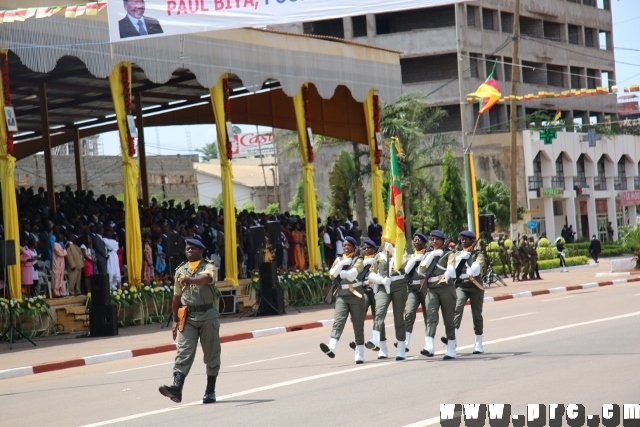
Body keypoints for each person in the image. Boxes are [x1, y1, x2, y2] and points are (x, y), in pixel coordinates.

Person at [159, 239, 220, 404]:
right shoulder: (180, 270)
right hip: (189, 317)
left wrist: (191, 281)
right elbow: (176, 297)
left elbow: (206, 278)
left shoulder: (209, 266)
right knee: (183, 351)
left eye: (193, 248)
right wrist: (174, 320)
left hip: (208, 314)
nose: (189, 250)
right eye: (187, 248)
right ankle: (177, 388)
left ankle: (210, 390)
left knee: (211, 352)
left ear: (201, 250)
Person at [319, 236, 366, 364]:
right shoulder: (339, 259)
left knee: (358, 324)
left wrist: (345, 269)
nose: (345, 247)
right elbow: (332, 274)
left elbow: (352, 275)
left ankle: (359, 353)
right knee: (338, 321)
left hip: (355, 294)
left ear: (354, 247)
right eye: (344, 245)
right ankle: (331, 347)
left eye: (348, 245)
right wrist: (340, 264)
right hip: (341, 295)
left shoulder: (358, 259)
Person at [442, 230, 486, 355]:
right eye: (461, 239)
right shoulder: (456, 254)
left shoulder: (478, 254)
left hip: (474, 285)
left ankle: (479, 342)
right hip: (461, 285)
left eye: (466, 239)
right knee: (457, 308)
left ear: (472, 241)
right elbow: (453, 270)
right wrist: (462, 258)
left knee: (476, 314)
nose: (463, 241)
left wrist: (469, 262)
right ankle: (453, 339)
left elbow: (476, 270)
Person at [419, 230, 457, 359]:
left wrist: (448, 272)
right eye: (432, 239)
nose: (434, 242)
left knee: (448, 318)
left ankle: (451, 348)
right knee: (431, 317)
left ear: (443, 241)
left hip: (445, 287)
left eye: (437, 239)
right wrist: (431, 255)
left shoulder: (448, 254)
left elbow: (452, 266)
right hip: (432, 288)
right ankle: (429, 347)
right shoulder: (428, 254)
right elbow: (421, 270)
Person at [397, 232, 429, 354]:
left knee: (428, 316)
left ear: (424, 243)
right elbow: (405, 271)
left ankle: (428, 344)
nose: (416, 242)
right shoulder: (410, 257)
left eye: (419, 240)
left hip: (425, 288)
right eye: (414, 240)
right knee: (409, 313)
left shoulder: (428, 255)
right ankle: (406, 343)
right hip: (412, 289)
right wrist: (415, 259)